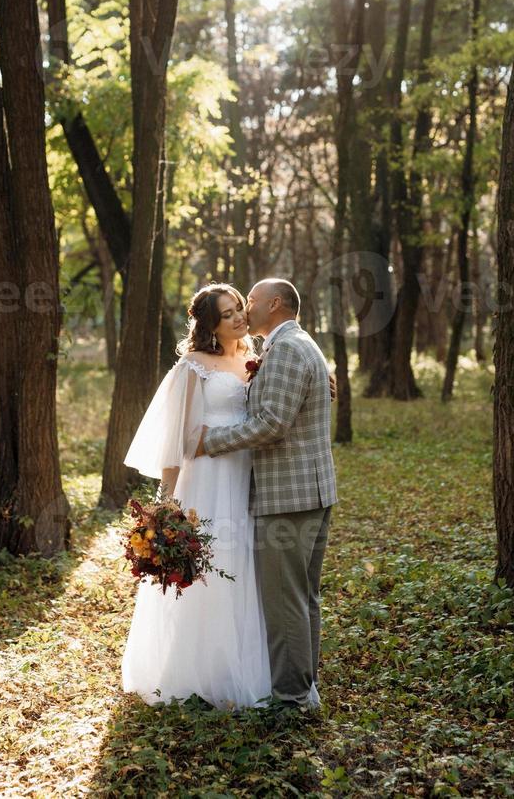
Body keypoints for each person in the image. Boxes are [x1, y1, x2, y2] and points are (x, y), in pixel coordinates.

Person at [121, 284, 272, 710]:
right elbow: (180, 438)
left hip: (246, 474)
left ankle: (239, 663)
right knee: (210, 563)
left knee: (242, 562)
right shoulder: (194, 366)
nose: (239, 317)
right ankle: (192, 669)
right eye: (227, 314)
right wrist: (166, 501)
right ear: (209, 324)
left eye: (239, 308)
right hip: (206, 477)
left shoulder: (256, 357)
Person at [198, 278, 337, 710]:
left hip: (288, 497)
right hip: (307, 492)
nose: (246, 308)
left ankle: (292, 700)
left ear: (274, 304)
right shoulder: (293, 346)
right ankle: (305, 689)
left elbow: (272, 424)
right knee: (302, 597)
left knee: (285, 602)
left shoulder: (288, 349)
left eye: (252, 301)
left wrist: (211, 441)